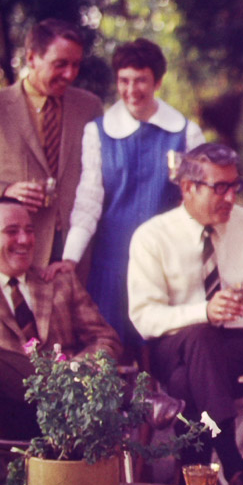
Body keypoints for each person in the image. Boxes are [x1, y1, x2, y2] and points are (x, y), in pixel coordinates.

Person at [127, 142, 243, 485]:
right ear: (188, 187)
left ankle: (191, 484)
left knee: (186, 381)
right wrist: (203, 312)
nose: (231, 197)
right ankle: (233, 465)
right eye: (220, 187)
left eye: (236, 186)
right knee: (200, 339)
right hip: (174, 346)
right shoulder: (152, 237)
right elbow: (144, 317)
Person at [47, 38, 205, 361]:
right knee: (110, 353)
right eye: (124, 80)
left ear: (157, 82)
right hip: (112, 262)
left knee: (164, 355)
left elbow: (199, 201)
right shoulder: (98, 132)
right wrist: (71, 258)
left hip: (167, 261)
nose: (131, 90)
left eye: (141, 80)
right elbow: (89, 199)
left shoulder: (186, 133)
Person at [0, 198, 121, 439]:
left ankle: (64, 393)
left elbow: (105, 339)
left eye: (29, 231)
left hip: (70, 414)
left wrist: (76, 367)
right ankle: (134, 401)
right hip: (1, 416)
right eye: (12, 231)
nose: (24, 240)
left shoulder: (59, 281)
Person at [0, 19, 103, 269]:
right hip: (15, 250)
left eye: (75, 65)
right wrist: (3, 192)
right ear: (31, 58)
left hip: (76, 253)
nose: (70, 74)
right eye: (60, 64)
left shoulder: (90, 107)